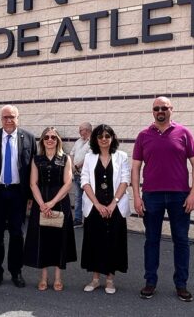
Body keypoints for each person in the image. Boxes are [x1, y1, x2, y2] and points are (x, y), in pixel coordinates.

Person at [132, 97, 194, 302]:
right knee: (151, 240)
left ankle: (181, 284)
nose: (160, 111)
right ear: (152, 111)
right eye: (156, 108)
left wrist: (193, 193)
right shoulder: (143, 135)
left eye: (164, 107)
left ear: (171, 109)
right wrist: (136, 196)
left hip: (179, 196)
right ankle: (150, 282)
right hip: (151, 196)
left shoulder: (184, 133)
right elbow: (136, 168)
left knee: (181, 240)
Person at [0, 105, 37, 288]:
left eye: (12, 117)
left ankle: (16, 271)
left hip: (17, 194)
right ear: (1, 118)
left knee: (16, 234)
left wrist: (30, 196)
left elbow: (31, 169)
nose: (8, 120)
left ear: (18, 118)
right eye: (5, 117)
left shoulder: (29, 138)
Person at [23, 127, 77, 291]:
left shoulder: (65, 158)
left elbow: (68, 183)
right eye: (46, 137)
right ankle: (44, 277)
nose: (50, 139)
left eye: (53, 137)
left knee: (58, 240)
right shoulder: (36, 159)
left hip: (59, 202)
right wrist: (41, 204)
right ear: (42, 140)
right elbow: (33, 183)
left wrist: (52, 203)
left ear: (58, 140)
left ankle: (58, 278)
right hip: (41, 202)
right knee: (43, 240)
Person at [80, 124, 130, 295]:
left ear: (112, 138)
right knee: (95, 241)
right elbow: (84, 181)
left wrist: (113, 204)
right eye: (100, 136)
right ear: (95, 139)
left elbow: (125, 181)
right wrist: (97, 204)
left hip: (115, 206)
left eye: (107, 136)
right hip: (95, 206)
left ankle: (109, 279)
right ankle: (95, 279)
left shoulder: (121, 156)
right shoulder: (89, 157)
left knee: (113, 242)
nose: (103, 139)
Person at [69, 122, 92, 227]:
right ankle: (78, 219)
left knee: (88, 198)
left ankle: (89, 220)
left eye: (81, 130)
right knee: (78, 197)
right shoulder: (78, 141)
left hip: (87, 176)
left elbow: (89, 157)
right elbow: (72, 153)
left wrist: (77, 166)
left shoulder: (93, 142)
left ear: (87, 130)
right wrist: (73, 166)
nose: (79, 132)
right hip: (77, 174)